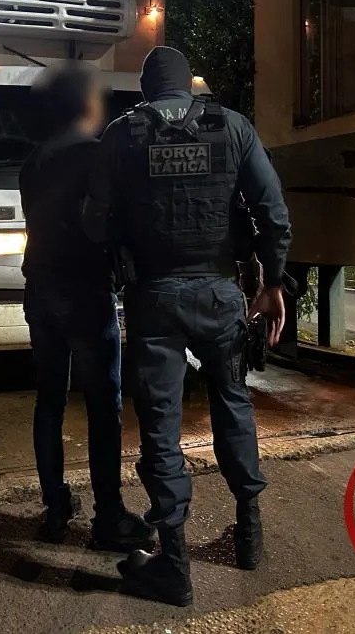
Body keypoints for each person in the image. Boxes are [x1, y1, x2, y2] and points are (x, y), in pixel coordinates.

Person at [84, 47, 291, 606]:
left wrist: (122, 238)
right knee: (233, 404)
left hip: (154, 298)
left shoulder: (123, 135)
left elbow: (93, 220)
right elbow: (272, 211)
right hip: (221, 295)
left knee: (161, 426)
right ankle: (249, 536)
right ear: (189, 85)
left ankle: (173, 567)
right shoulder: (232, 126)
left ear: (147, 89)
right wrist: (272, 283)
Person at [19, 62, 156, 554]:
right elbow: (111, 222)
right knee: (103, 405)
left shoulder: (33, 162)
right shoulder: (98, 155)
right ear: (87, 105)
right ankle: (109, 517)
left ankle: (56, 507)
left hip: (40, 291)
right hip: (85, 291)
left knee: (50, 401)